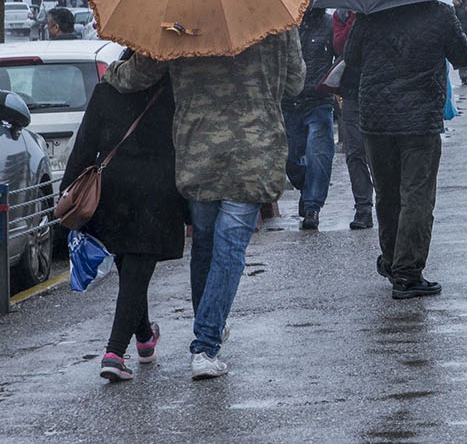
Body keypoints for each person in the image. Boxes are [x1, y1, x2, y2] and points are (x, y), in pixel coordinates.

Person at [105, 31, 304, 380]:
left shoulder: (183, 21)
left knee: (207, 245)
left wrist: (112, 72)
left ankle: (208, 327)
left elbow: (141, 73)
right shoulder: (276, 21)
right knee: (229, 248)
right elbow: (294, 84)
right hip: (253, 152)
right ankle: (206, 344)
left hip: (198, 152)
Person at [62, 59, 186, 382]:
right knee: (136, 273)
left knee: (132, 272)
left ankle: (144, 337)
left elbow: (85, 145)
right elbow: (186, 146)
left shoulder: (107, 89)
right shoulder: (173, 90)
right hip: (157, 195)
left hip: (112, 194)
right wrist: (191, 207)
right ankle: (114, 353)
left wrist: (68, 191)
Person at [344, 0, 467, 300]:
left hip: (377, 118)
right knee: (417, 195)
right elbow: (465, 56)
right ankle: (408, 272)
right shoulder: (440, 13)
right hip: (420, 120)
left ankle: (391, 262)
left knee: (387, 194)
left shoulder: (370, 14)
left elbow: (351, 58)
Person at [282, 8, 336, 230]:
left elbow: (342, 55)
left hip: (319, 101)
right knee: (290, 158)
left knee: (318, 155)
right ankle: (308, 188)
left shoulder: (329, 24)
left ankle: (312, 207)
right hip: (289, 101)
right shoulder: (286, 25)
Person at [333, 9, 374, 230]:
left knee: (378, 152)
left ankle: (388, 203)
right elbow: (341, 47)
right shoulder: (340, 16)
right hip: (351, 92)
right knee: (355, 152)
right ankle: (363, 207)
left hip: (378, 89)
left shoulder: (380, 12)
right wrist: (354, 20)